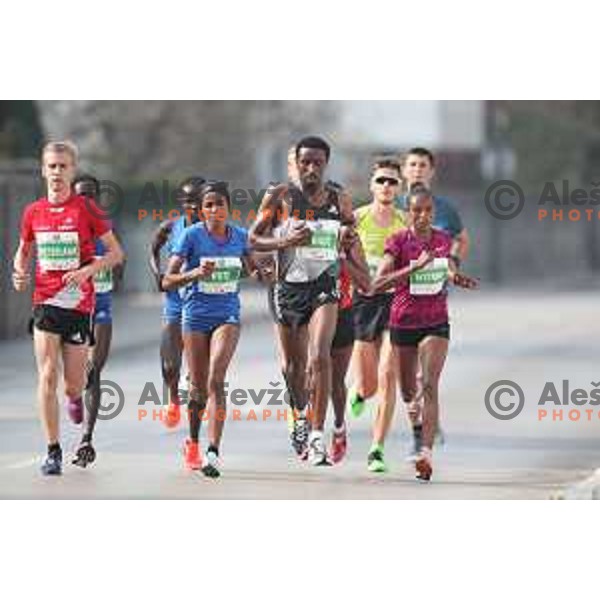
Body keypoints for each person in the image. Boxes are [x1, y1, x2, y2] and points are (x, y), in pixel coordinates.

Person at [12, 141, 125, 476]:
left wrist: (88, 270)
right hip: (45, 302)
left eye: (63, 166)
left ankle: (74, 398)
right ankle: (53, 450)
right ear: (43, 170)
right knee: (47, 374)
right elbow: (23, 250)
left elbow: (116, 254)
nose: (57, 172)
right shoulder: (33, 212)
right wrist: (18, 271)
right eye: (52, 166)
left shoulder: (88, 210)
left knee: (73, 384)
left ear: (72, 169)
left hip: (78, 305)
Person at [249, 136, 356, 466]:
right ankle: (299, 415)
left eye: (318, 162)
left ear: (326, 164)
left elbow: (350, 233)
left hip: (325, 285)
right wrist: (285, 240)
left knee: (319, 356)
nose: (311, 168)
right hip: (288, 289)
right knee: (293, 369)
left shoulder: (339, 199)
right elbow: (253, 237)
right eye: (305, 162)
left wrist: (348, 237)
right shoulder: (279, 196)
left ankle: (316, 434)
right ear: (296, 163)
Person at [372, 188, 477, 480]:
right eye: (416, 211)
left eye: (428, 211)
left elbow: (446, 268)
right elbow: (377, 283)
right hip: (403, 323)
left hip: (436, 322)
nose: (422, 216)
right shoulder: (398, 241)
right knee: (408, 391)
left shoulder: (443, 240)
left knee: (429, 384)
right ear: (407, 213)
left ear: (433, 212)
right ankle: (417, 428)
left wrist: (455, 277)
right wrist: (411, 268)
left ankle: (425, 454)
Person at [163, 181, 258, 477]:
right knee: (198, 388)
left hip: (227, 314)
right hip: (194, 317)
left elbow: (253, 269)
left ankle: (213, 450)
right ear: (202, 211)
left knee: (217, 378)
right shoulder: (192, 236)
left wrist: (261, 271)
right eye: (208, 205)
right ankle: (192, 440)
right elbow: (167, 280)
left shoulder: (240, 236)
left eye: (219, 204)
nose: (214, 210)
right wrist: (194, 273)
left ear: (229, 207)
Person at [397, 147, 471, 455]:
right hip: (398, 302)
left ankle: (423, 433)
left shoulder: (446, 209)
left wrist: (451, 265)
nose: (417, 170)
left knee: (425, 376)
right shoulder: (393, 203)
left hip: (433, 298)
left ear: (432, 171)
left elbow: (463, 239)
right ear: (403, 170)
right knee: (402, 379)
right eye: (412, 165)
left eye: (423, 165)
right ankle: (422, 426)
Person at [348, 158, 407, 472]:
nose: (386, 186)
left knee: (388, 375)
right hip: (363, 303)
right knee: (369, 385)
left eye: (392, 181)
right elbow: (339, 258)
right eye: (381, 180)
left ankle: (376, 448)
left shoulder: (406, 222)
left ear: (400, 187)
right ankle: (358, 391)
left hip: (396, 303)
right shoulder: (357, 218)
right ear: (372, 186)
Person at [71, 174, 125, 467]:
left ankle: (86, 438)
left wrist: (109, 270)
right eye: (81, 196)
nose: (87, 202)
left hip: (101, 308)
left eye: (92, 196)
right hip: (71, 311)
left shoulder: (107, 229)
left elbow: (121, 262)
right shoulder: (66, 230)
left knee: (94, 370)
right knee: (74, 376)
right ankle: (73, 395)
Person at [149, 176, 205, 428]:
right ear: (182, 203)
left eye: (199, 201)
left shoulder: (215, 229)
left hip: (204, 305)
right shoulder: (171, 227)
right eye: (189, 202)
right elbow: (153, 249)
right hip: (175, 303)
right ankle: (173, 399)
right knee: (170, 364)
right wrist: (157, 275)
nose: (194, 207)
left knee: (198, 368)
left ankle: (195, 396)